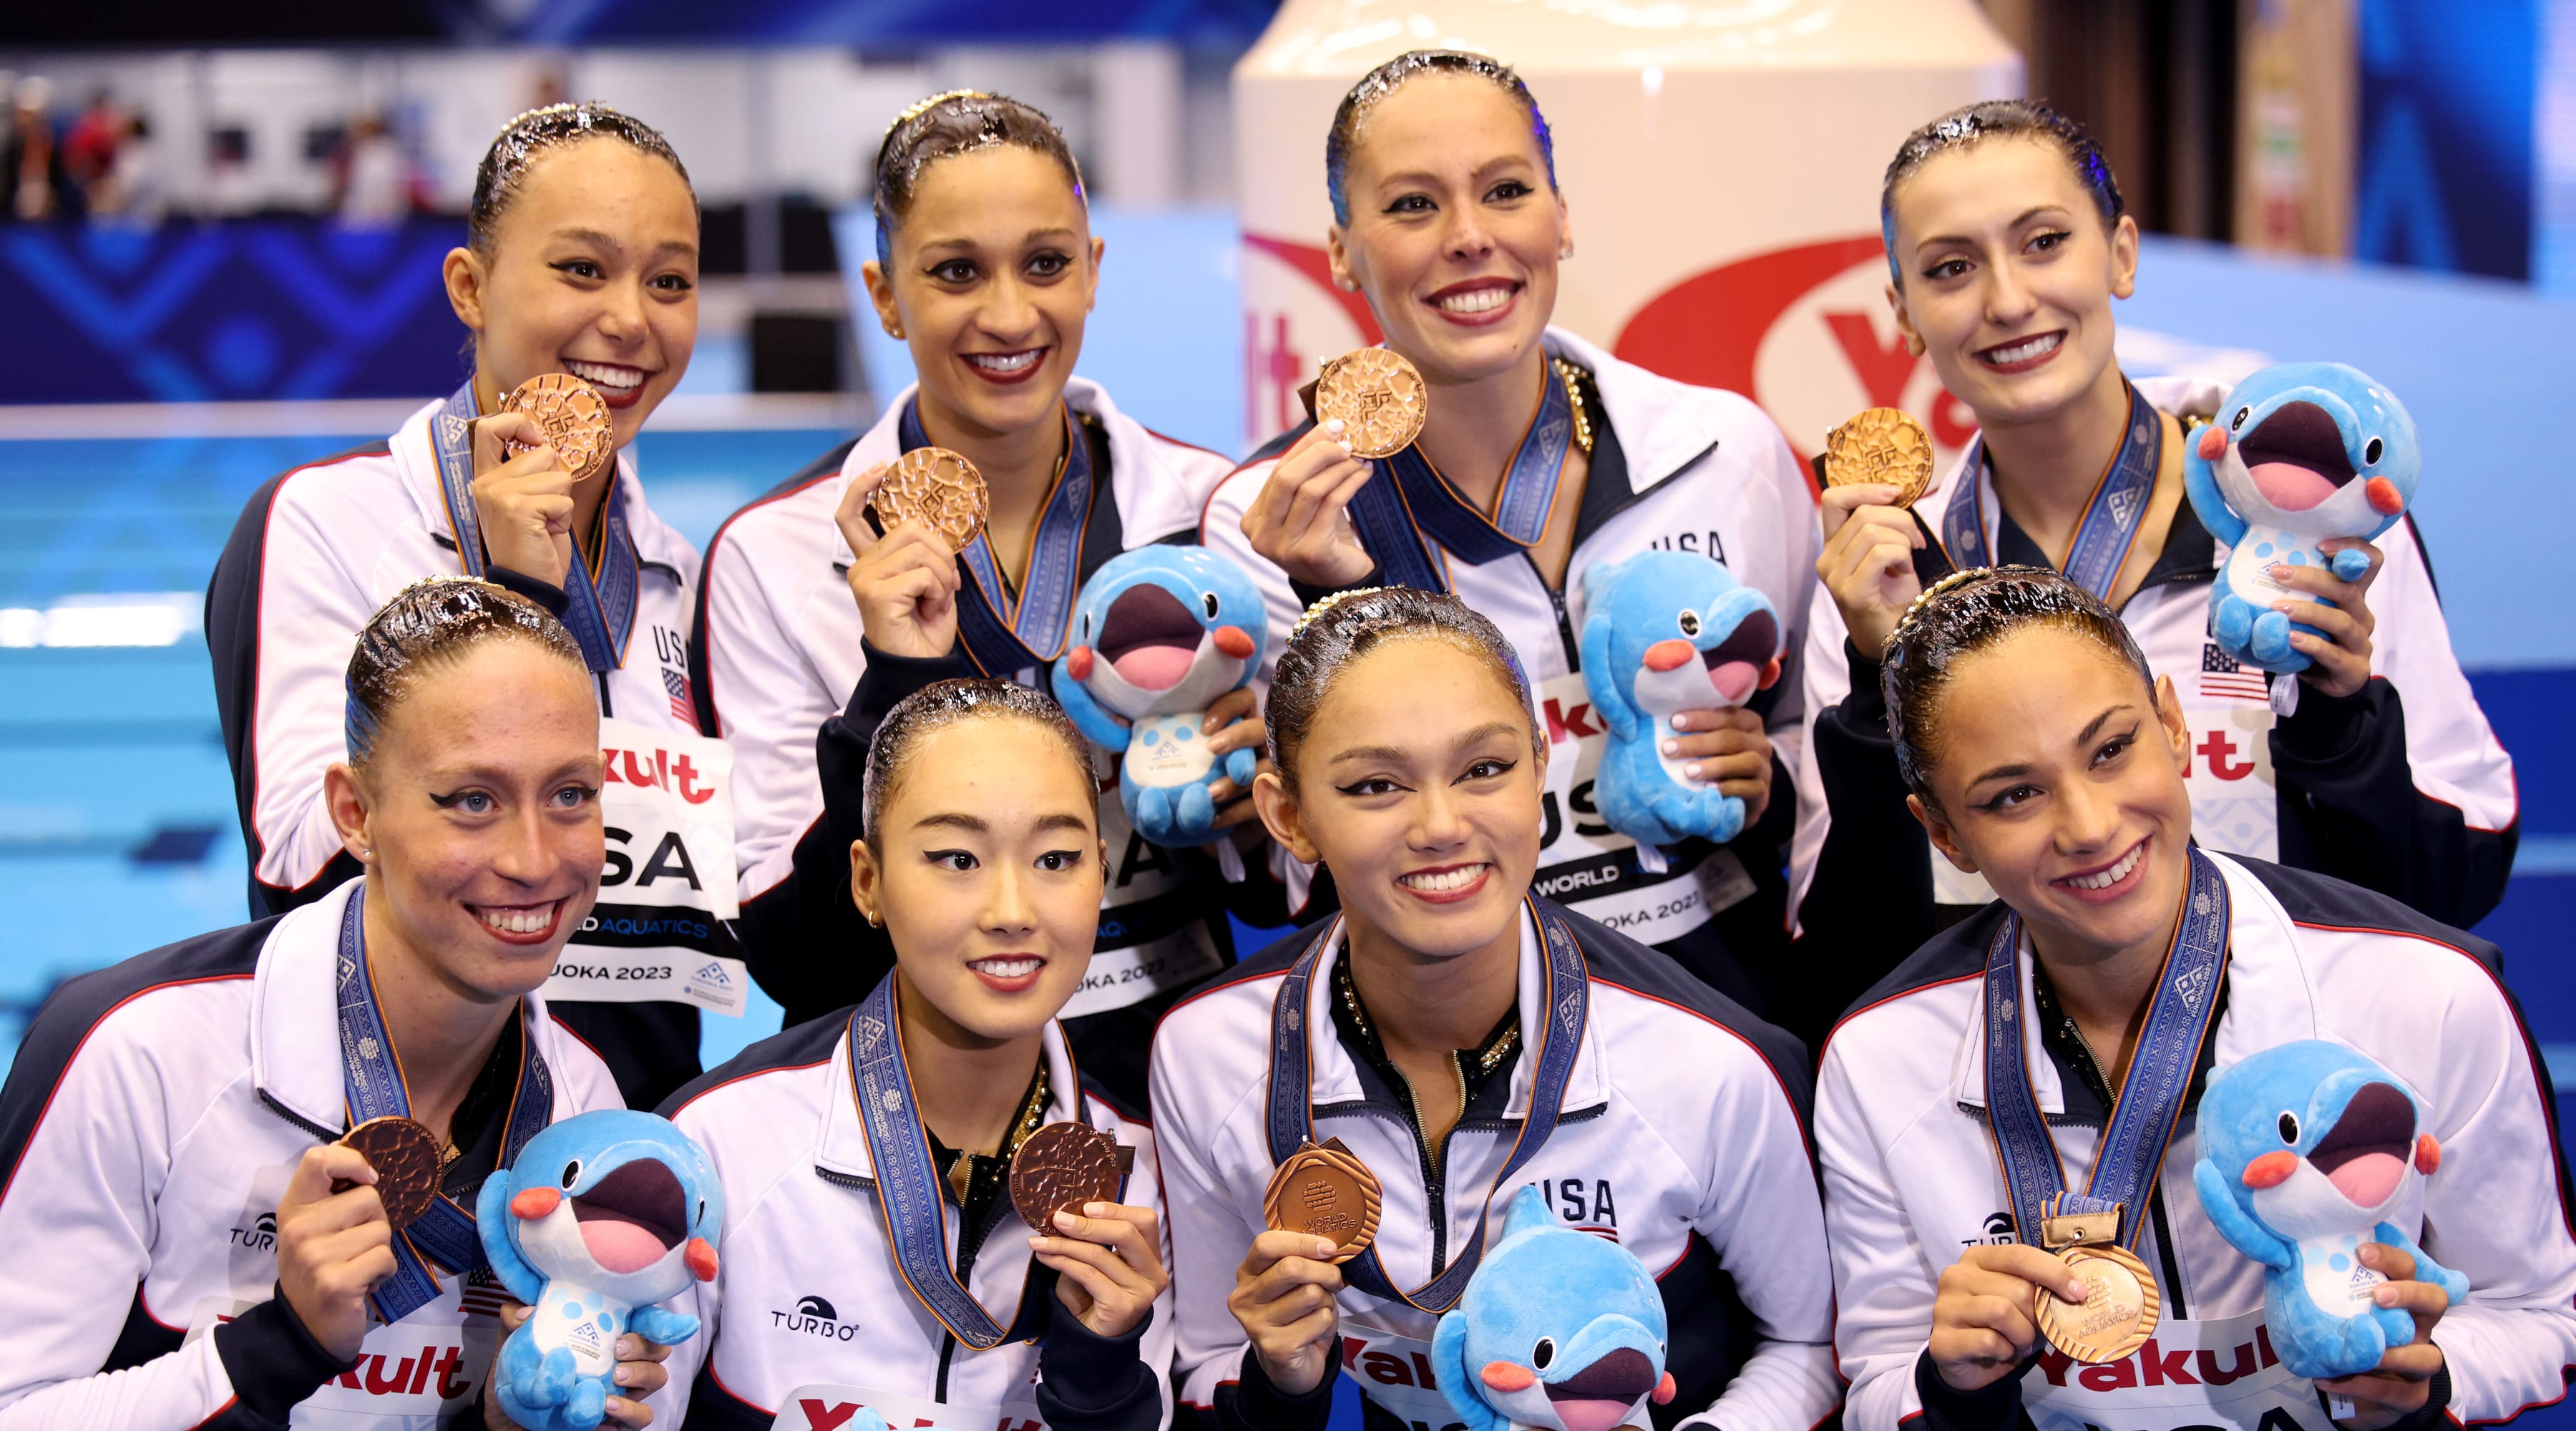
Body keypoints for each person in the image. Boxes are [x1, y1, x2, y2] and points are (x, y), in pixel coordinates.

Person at [1790, 100, 2516, 1032]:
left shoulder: (2304, 513)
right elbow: (1850, 960)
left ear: (2122, 254)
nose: (2007, 299)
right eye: (1952, 268)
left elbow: (2456, 884)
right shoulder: (1888, 578)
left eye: (2045, 241)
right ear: (1904, 314)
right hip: (2020, 1102)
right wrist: (1873, 694)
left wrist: (2342, 729)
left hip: (2299, 1075)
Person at [1816, 565, 2576, 1431]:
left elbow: (2538, 1312)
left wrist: (2427, 1382)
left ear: (2173, 725)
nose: (2090, 825)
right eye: (2013, 794)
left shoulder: (2427, 993)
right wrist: (1949, 1383)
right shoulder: (1876, 1058)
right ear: (1945, 832)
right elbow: (1878, 1379)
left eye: (2111, 749)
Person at [1201, 50, 1820, 1020]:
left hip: (1726, 1018)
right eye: (1412, 205)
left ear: (1561, 217)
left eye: (1505, 190)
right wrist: (1339, 604)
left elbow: (1814, 742)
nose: (1469, 237)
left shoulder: (1722, 451)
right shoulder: (1265, 525)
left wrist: (1772, 780)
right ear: (1339, 250)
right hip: (1453, 1037)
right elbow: (1294, 875)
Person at [693, 90, 1264, 1104]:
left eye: (1045, 263)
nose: (1009, 314)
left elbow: (1292, 893)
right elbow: (794, 954)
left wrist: (1259, 798)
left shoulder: (1211, 508)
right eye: (956, 271)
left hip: (1178, 1079)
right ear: (884, 294)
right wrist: (896, 683)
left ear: (1094, 270)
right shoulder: (771, 555)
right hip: (909, 1098)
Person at [1151, 587, 1837, 1431]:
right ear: (1288, 817)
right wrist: (1280, 1379)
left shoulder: (1707, 1060)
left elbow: (1811, 1347)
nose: (1442, 824)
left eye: (1484, 768)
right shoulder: (1205, 1051)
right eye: (1375, 785)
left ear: (1542, 768)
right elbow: (1213, 1355)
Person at [0, 580, 672, 1428]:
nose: (534, 860)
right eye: (472, 800)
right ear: (356, 814)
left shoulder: (581, 1108)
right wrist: (282, 1343)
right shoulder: (143, 1053)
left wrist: (512, 1419)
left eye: (571, 793)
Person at [208, 102, 716, 1112]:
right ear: (471, 288)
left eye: (669, 281)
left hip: (632, 1171)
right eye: (583, 269)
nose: (630, 318)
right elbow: (302, 883)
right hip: (404, 1137)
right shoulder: (328, 524)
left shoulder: (677, 572)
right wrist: (513, 600)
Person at [650, 680, 1171, 1430]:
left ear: (1101, 868)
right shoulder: (717, 1143)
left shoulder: (1141, 1169)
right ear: (869, 880)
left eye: (1056, 858)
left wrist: (1103, 1368)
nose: (1012, 912)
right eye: (957, 857)